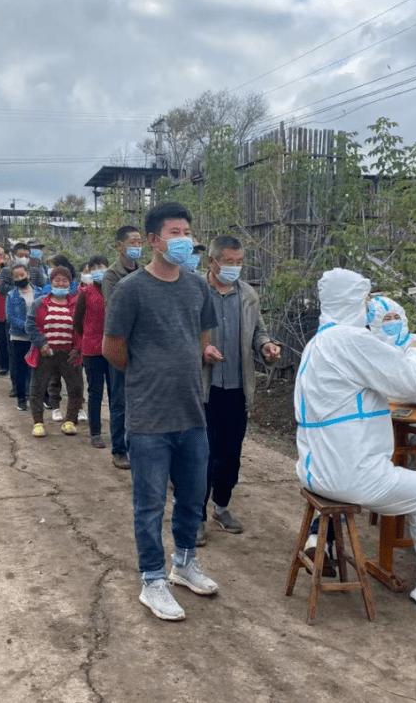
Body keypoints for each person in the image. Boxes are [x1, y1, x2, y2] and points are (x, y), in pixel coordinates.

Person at [294, 268, 416, 607]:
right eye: (365, 300)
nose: (369, 307)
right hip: (350, 474)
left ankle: (322, 531)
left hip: (315, 468)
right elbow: (409, 382)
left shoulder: (318, 342)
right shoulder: (352, 340)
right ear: (353, 301)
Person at [104, 202, 220, 621]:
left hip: (192, 413)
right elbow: (113, 349)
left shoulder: (196, 287)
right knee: (149, 504)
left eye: (187, 230)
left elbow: (200, 334)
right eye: (175, 232)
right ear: (153, 240)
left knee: (191, 498)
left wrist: (198, 353)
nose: (184, 238)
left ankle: (184, 564)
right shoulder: (130, 290)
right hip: (150, 417)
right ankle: (152, 579)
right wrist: (149, 371)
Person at [198, 235, 281, 546]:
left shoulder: (247, 295)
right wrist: (201, 350)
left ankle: (221, 507)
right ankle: (195, 516)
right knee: (201, 456)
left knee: (230, 455)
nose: (234, 268)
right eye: (228, 262)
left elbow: (259, 331)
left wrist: (267, 346)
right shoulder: (195, 291)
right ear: (212, 262)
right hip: (203, 389)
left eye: (239, 262)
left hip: (237, 388)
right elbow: (182, 333)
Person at [101, 225, 144, 470]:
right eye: (132, 242)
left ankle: (137, 445)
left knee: (141, 399)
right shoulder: (111, 276)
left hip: (143, 345)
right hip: (120, 344)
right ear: (119, 246)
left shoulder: (147, 272)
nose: (136, 246)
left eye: (139, 242)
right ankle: (119, 449)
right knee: (119, 399)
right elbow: (115, 309)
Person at [26, 266, 84, 437]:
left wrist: (77, 348)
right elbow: (30, 326)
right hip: (45, 353)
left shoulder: (76, 303)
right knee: (37, 388)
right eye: (57, 280)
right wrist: (41, 344)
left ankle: (69, 421)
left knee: (76, 388)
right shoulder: (40, 303)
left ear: (70, 283)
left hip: (69, 355)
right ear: (51, 282)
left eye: (64, 281)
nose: (60, 283)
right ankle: (38, 423)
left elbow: (81, 328)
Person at [74, 256, 112, 448]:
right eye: (94, 268)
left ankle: (118, 432)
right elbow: (77, 321)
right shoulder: (85, 293)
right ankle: (95, 432)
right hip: (92, 349)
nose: (98, 270)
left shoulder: (115, 289)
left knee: (116, 393)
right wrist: (89, 335)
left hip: (114, 348)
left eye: (101, 267)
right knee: (95, 391)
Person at [6, 263, 42, 411]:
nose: (20, 278)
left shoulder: (39, 292)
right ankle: (21, 399)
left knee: (40, 369)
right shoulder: (11, 295)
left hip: (38, 337)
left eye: (22, 274)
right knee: (20, 369)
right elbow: (10, 317)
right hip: (19, 337)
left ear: (28, 274)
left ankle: (42, 397)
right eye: (16, 276)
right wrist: (27, 326)